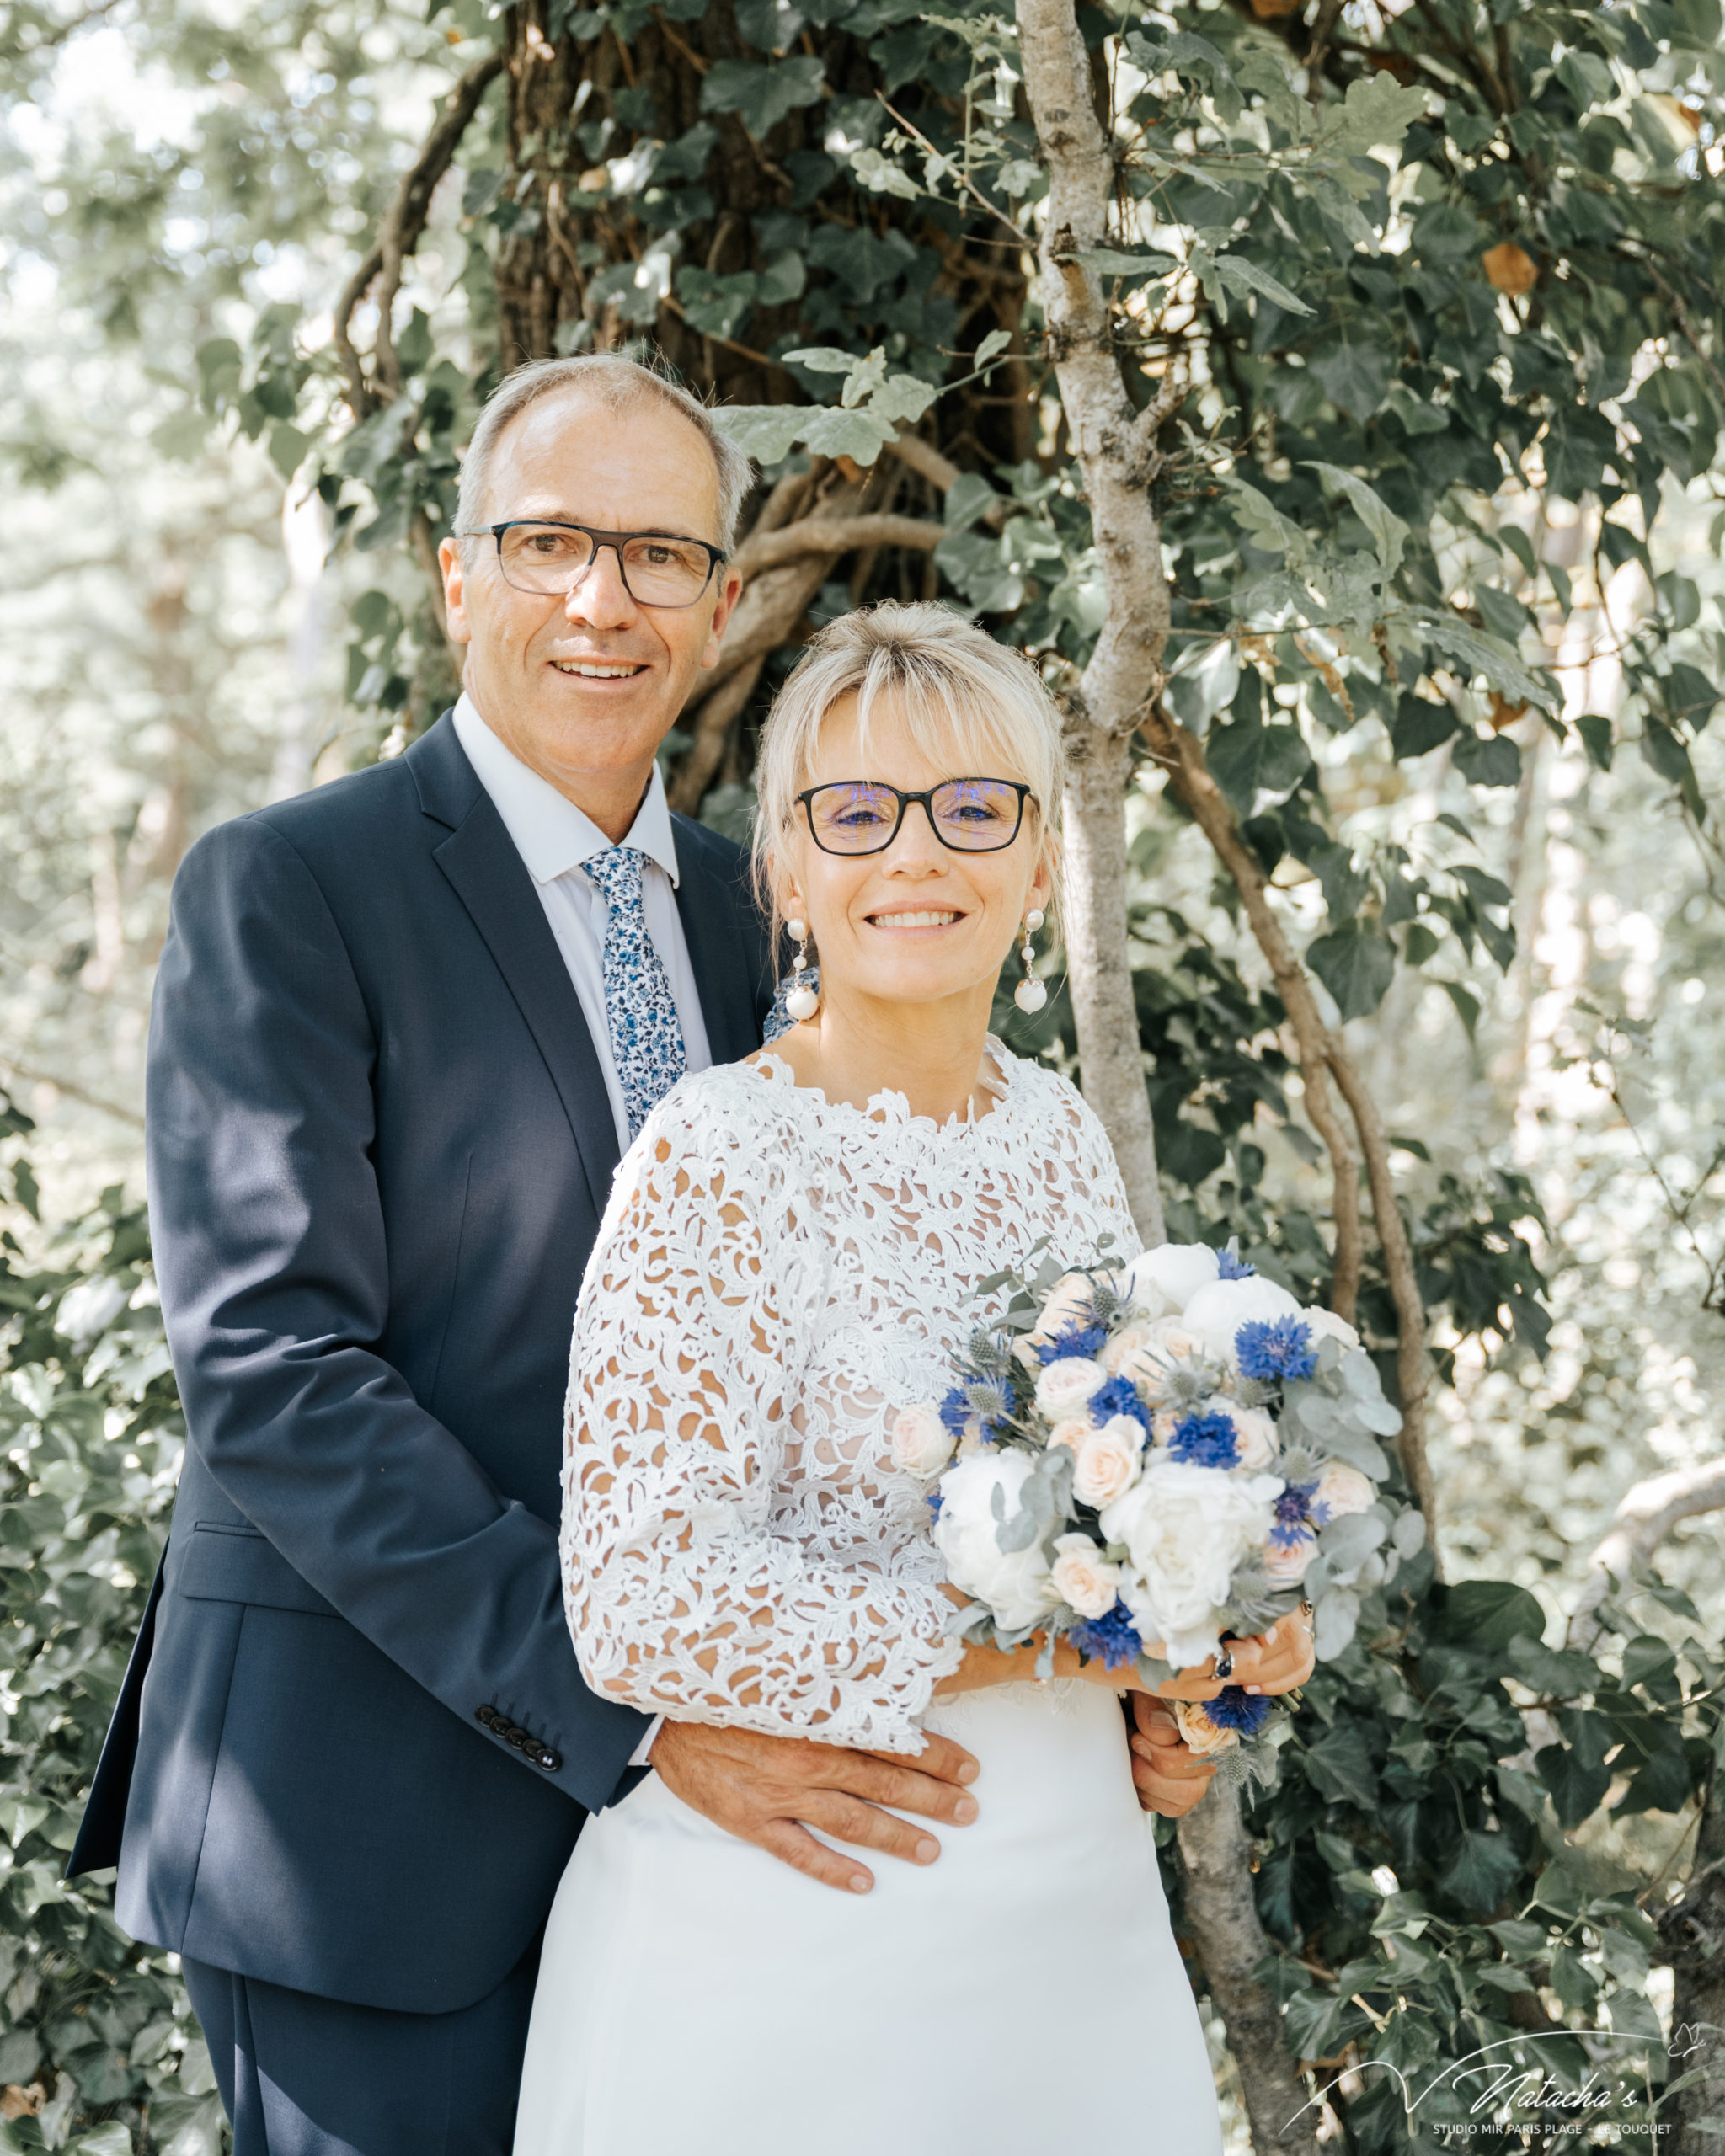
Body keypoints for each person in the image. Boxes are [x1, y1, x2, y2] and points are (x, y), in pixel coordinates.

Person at [71, 357, 1074, 2154]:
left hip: (731, 1855)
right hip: (370, 1810)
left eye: (655, 554)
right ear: (459, 579)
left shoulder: (756, 899)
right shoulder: (290, 888)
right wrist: (630, 1707)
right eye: (545, 542)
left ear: (714, 599)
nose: (599, 598)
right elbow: (273, 1371)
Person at [513, 601, 1315, 2153]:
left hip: (1070, 1935)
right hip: (792, 1937)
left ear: (1036, 864)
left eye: (973, 810)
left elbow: (1117, 1506)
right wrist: (1051, 1646)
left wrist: (1200, 1651)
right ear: (790, 873)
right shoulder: (715, 1155)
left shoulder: (1059, 1135)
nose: (916, 857)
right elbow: (641, 1599)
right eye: (858, 812)